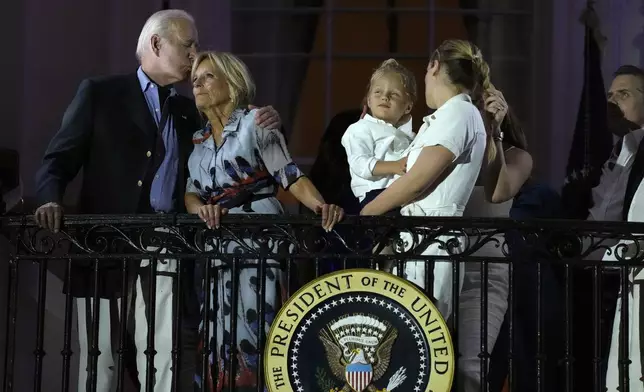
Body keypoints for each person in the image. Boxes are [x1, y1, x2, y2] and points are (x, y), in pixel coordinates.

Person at [32, 10, 281, 392]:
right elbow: (57, 161)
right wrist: (49, 201)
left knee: (164, 358)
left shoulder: (187, 111)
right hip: (104, 248)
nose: (195, 53)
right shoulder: (100, 93)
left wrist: (266, 120)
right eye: (188, 44)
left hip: (168, 244)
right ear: (156, 44)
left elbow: (233, 143)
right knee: (99, 363)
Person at [184, 51, 344, 391]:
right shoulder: (197, 141)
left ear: (233, 82)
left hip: (261, 238)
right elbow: (191, 194)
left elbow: (289, 175)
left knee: (259, 332)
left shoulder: (256, 123)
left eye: (207, 76)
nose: (197, 83)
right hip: (219, 245)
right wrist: (201, 209)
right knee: (217, 336)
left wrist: (321, 207)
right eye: (194, 79)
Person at [360, 39, 489, 320]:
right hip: (418, 241)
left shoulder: (458, 112)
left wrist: (368, 212)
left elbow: (418, 179)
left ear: (434, 66)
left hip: (431, 242)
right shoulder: (452, 114)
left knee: (415, 335)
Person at [458, 86, 532, 392]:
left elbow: (499, 191)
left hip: (483, 269)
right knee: (423, 355)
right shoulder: (445, 149)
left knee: (469, 366)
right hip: (436, 260)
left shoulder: (518, 156)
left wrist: (494, 133)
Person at [598, 65, 644, 392]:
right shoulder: (623, 151)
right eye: (610, 96)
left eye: (624, 95)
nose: (613, 103)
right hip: (626, 277)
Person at [341, 58, 416, 211]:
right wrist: (395, 166)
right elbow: (360, 163)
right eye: (378, 92)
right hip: (375, 196)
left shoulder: (410, 137)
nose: (385, 97)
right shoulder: (359, 129)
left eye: (394, 94)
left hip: (403, 196)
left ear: (407, 106)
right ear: (368, 100)